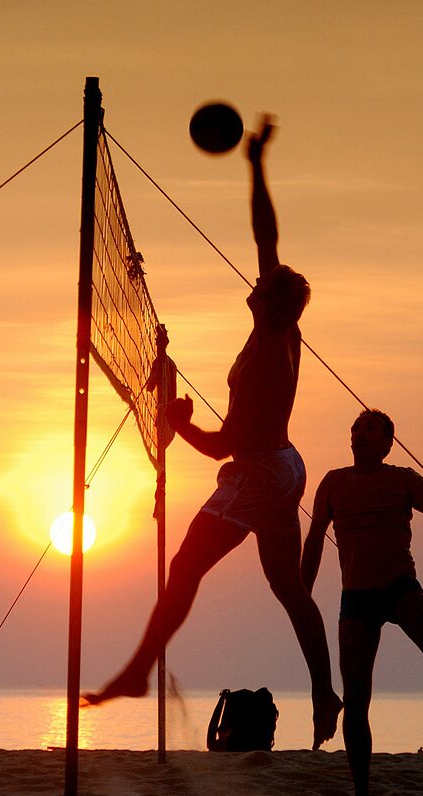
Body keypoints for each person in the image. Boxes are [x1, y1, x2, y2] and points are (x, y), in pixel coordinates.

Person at [84, 116, 343, 748]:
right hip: (283, 465)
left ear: (269, 301)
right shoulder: (278, 329)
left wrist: (181, 426)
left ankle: (139, 670)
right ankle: (324, 689)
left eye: (261, 287)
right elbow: (267, 239)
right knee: (288, 590)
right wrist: (255, 165)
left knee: (186, 563)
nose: (252, 286)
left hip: (258, 470)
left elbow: (227, 445)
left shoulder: (266, 356)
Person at [301, 409, 423, 796]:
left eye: (370, 428)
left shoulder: (403, 478)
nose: (359, 433)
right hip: (356, 599)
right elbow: (315, 537)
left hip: (401, 588)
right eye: (354, 428)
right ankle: (362, 794)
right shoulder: (333, 482)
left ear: (388, 442)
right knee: (356, 694)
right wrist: (302, 589)